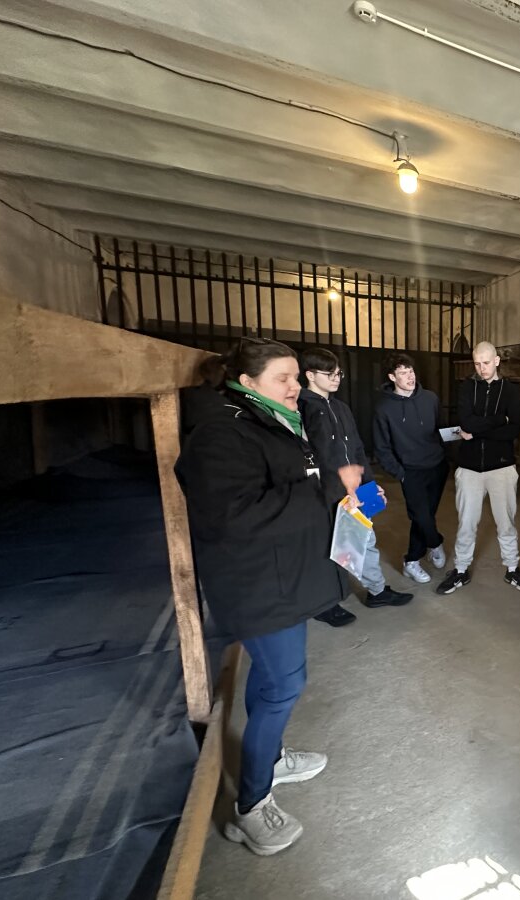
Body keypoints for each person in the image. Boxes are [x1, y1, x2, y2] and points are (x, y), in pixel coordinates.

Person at [175, 338, 338, 856]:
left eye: (297, 377)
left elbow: (288, 481)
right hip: (258, 584)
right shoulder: (220, 434)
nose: (296, 386)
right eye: (283, 378)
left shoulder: (267, 419)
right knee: (285, 684)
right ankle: (250, 805)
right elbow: (235, 515)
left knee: (271, 677)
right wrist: (325, 490)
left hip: (283, 574)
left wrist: (335, 491)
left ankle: (270, 759)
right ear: (246, 383)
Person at [298, 346, 413, 622]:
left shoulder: (341, 407)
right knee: (327, 547)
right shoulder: (302, 408)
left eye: (339, 373)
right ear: (310, 375)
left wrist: (370, 484)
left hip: (356, 489)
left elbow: (358, 449)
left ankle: (377, 591)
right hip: (326, 492)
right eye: (330, 374)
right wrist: (330, 488)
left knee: (363, 539)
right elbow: (308, 456)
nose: (336, 379)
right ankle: (324, 603)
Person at [438, 341, 520, 595]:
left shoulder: (510, 390)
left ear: (497, 361)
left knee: (506, 522)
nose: (482, 368)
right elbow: (466, 422)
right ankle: (460, 570)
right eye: (477, 363)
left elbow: (513, 430)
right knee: (466, 523)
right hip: (469, 468)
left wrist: (477, 432)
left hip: (502, 467)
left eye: (486, 363)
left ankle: (512, 568)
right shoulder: (467, 387)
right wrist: (499, 419)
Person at [372, 353, 449, 585]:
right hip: (411, 471)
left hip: (437, 467)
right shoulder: (384, 409)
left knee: (424, 516)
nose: (410, 376)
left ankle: (412, 561)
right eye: (403, 373)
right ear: (392, 377)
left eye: (411, 371)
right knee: (421, 515)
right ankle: (435, 542)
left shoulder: (430, 398)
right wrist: (400, 473)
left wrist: (451, 448)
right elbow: (382, 448)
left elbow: (441, 429)